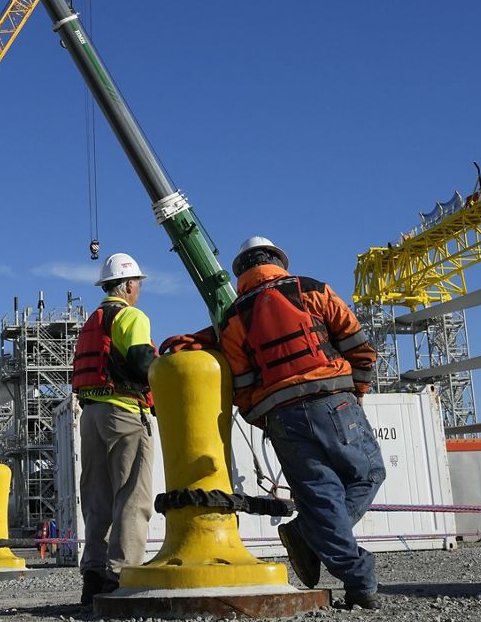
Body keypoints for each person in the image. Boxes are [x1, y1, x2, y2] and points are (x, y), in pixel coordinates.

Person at [162, 236, 385, 610]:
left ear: (241, 274)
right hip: (334, 402)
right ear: (278, 261)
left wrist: (268, 420)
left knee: (321, 497)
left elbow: (243, 383)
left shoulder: (234, 317)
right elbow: (356, 341)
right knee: (368, 474)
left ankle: (358, 580)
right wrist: (356, 391)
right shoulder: (311, 289)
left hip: (283, 417)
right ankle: (309, 534)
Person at [72, 252, 157, 605]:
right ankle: (120, 577)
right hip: (123, 411)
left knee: (97, 500)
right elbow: (141, 362)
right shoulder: (130, 315)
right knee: (131, 495)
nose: (138, 290)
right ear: (128, 285)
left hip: (89, 414)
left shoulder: (92, 321)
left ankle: (93, 577)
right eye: (137, 284)